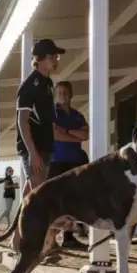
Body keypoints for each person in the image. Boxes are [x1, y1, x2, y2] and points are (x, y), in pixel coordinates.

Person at [12, 38, 64, 249]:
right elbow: (22, 121)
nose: (56, 60)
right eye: (52, 56)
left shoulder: (48, 84)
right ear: (40, 59)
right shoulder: (28, 86)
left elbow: (48, 119)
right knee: (41, 199)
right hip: (33, 149)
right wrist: (33, 153)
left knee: (29, 196)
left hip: (45, 147)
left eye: (56, 56)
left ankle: (16, 241)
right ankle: (44, 244)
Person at [50, 80, 90, 248]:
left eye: (65, 92)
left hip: (75, 160)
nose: (62, 95)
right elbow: (54, 135)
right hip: (57, 161)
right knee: (55, 201)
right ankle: (51, 238)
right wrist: (75, 136)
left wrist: (66, 131)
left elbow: (86, 134)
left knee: (73, 199)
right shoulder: (52, 113)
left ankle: (68, 236)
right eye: (59, 92)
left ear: (71, 94)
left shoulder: (77, 115)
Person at [0, 166, 18, 231]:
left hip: (9, 196)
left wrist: (14, 186)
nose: (11, 172)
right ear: (6, 172)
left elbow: (8, 186)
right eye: (10, 171)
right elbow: (5, 187)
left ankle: (9, 225)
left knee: (8, 211)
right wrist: (13, 185)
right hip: (8, 195)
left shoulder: (9, 178)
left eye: (12, 171)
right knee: (7, 210)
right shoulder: (8, 178)